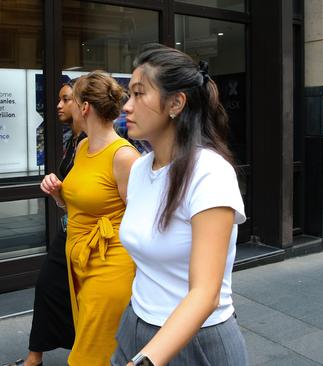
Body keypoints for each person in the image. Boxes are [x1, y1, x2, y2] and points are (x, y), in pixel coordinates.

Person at [112, 43, 248, 366]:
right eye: (128, 95)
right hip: (136, 326)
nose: (126, 107)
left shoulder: (210, 173)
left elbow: (206, 294)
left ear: (176, 103)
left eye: (139, 94)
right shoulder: (140, 169)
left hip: (198, 342)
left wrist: (145, 361)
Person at [40, 71, 140, 366]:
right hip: (80, 260)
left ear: (84, 108)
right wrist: (59, 194)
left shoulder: (123, 156)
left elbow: (139, 219)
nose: (67, 106)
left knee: (88, 354)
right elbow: (77, 208)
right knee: (97, 346)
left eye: (73, 100)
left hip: (111, 262)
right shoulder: (82, 147)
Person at [7, 81, 86, 366]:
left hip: (88, 235)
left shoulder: (96, 145)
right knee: (49, 286)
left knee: (78, 296)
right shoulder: (73, 141)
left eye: (66, 99)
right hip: (70, 229)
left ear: (82, 104)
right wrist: (57, 190)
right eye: (59, 99)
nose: (59, 105)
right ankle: (34, 357)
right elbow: (71, 194)